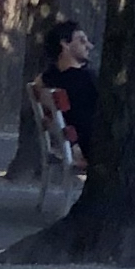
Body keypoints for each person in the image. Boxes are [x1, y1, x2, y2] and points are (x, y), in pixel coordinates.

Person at [37, 21, 101, 173]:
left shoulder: (49, 79)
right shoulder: (86, 79)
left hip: (79, 145)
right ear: (65, 44)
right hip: (96, 148)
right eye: (82, 40)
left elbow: (38, 84)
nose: (89, 46)